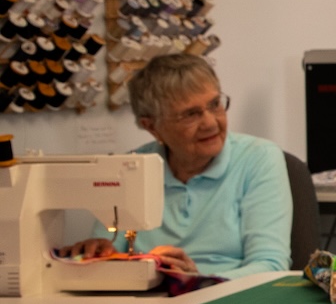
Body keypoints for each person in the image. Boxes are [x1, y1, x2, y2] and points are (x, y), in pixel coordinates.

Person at [64, 53, 293, 277]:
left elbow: (270, 265)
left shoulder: (258, 159)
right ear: (152, 126)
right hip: (150, 298)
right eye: (191, 114)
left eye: (215, 104)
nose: (210, 123)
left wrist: (198, 282)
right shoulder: (130, 169)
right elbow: (110, 254)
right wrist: (97, 253)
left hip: (230, 297)